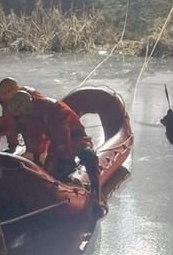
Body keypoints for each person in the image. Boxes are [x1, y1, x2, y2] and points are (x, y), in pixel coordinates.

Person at [7, 90, 107, 219]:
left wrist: (66, 159)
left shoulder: (51, 109)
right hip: (55, 141)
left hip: (74, 136)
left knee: (88, 157)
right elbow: (36, 140)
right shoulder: (28, 117)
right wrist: (37, 160)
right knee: (50, 173)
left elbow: (62, 136)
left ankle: (96, 197)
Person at [0, 77, 50, 165]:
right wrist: (12, 143)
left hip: (35, 124)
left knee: (32, 131)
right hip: (19, 122)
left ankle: (37, 159)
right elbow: (8, 120)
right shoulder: (7, 100)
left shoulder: (32, 96)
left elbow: (43, 116)